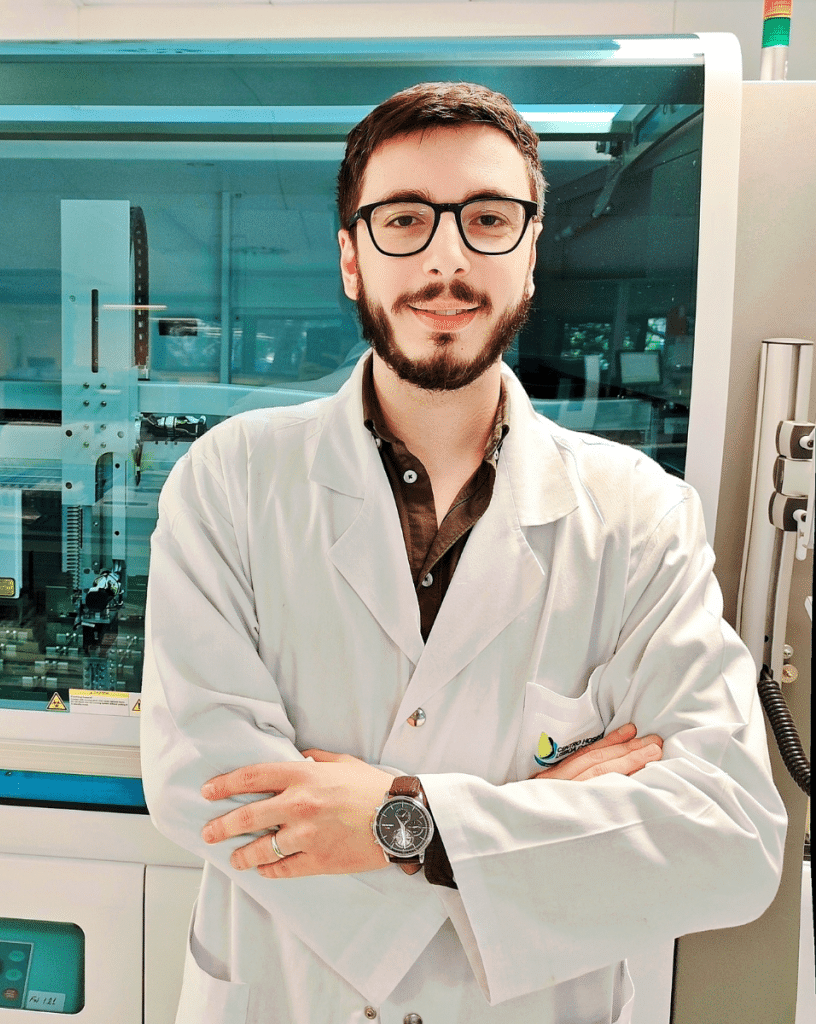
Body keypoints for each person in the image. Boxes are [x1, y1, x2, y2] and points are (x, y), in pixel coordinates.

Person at [140, 82, 787, 1024]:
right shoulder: (231, 481)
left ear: (530, 255)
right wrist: (532, 835)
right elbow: (211, 792)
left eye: (487, 219)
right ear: (351, 260)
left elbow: (729, 839)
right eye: (404, 220)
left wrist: (400, 821)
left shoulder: (638, 515)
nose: (446, 260)